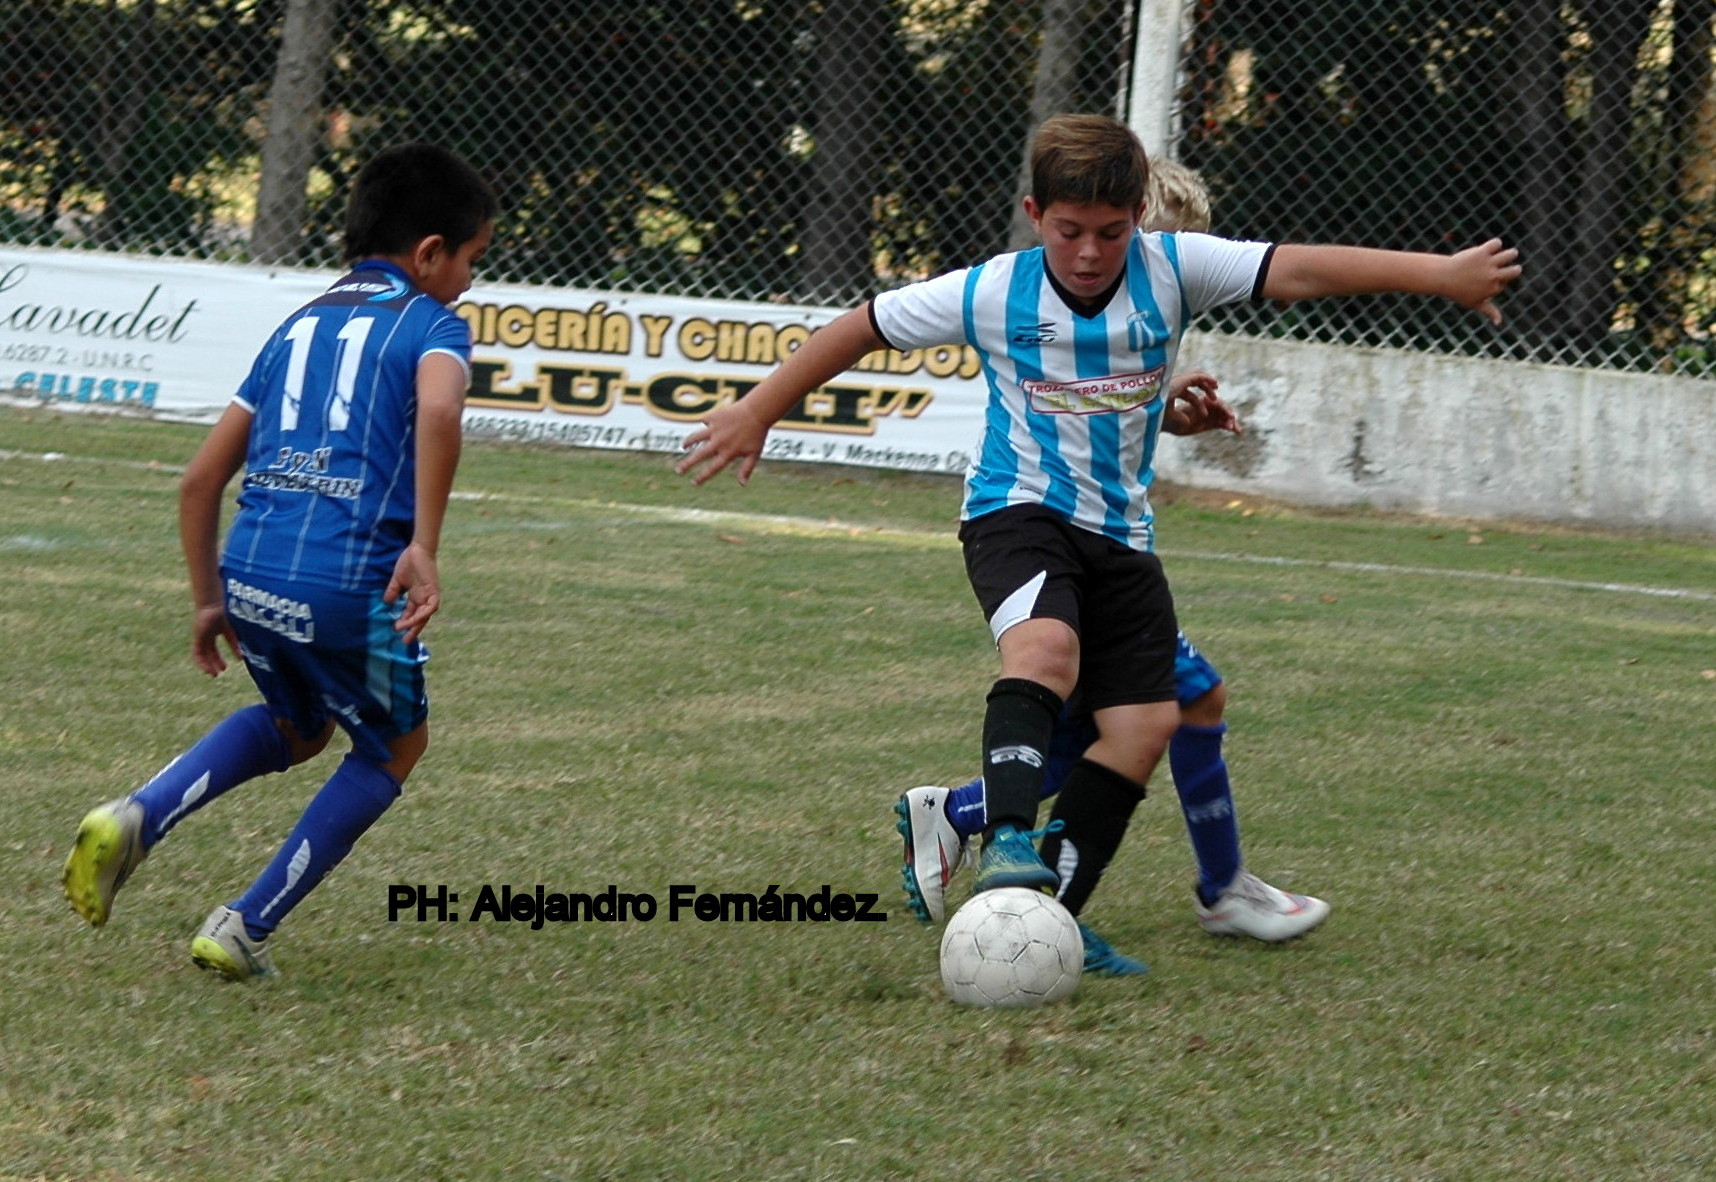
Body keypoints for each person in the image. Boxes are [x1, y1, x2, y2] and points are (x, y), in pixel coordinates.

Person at [678, 113, 1519, 974]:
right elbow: (861, 324)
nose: (1088, 252)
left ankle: (1048, 922)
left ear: (1138, 218)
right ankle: (1006, 840)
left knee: (1148, 724)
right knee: (1045, 652)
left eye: (1111, 233)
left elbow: (1298, 269)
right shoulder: (992, 290)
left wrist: (1440, 275)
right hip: (1017, 513)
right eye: (1069, 230)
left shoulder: (1174, 268)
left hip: (1122, 538)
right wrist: (758, 410)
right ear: (1034, 214)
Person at [61, 142, 497, 981]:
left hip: (251, 573)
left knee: (299, 726)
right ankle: (244, 926)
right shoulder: (432, 324)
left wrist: (206, 600)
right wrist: (424, 546)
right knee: (394, 748)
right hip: (346, 584)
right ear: (428, 253)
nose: (470, 281)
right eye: (472, 259)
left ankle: (139, 815)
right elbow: (441, 412)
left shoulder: (294, 328)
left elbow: (199, 480)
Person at [894, 156, 1327, 974]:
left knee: (1148, 714)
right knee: (1150, 710)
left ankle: (986, 831)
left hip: (1107, 549)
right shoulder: (1040, 297)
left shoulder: (1134, 313)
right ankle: (980, 822)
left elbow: (1106, 398)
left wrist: (1169, 414)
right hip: (1055, 538)